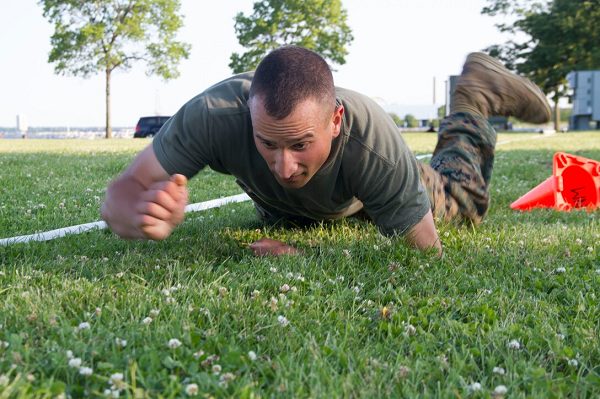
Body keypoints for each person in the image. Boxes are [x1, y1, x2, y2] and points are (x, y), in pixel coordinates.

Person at [101, 46, 550, 256]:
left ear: (334, 122)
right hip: (297, 211)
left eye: (300, 145)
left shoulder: (371, 146)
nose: (283, 166)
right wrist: (135, 212)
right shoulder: (214, 115)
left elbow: (424, 257)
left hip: (367, 191)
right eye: (267, 143)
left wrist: (310, 256)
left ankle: (476, 95)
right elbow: (125, 189)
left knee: (465, 204)